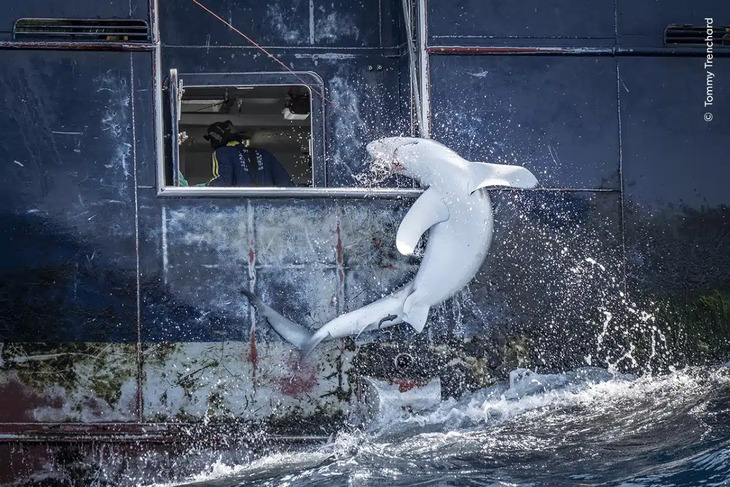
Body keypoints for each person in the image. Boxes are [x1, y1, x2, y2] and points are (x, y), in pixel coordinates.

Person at [204, 121, 293, 187]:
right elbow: (287, 184)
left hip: (240, 208)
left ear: (215, 141)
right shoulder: (265, 154)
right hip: (266, 209)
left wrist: (203, 188)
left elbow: (222, 183)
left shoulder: (223, 153)